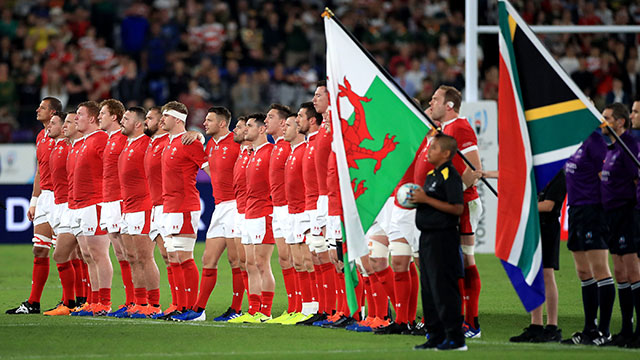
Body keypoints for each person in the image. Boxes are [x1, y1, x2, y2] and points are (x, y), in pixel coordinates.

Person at [174, 106, 241, 322]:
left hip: (235, 205)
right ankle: (199, 310)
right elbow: (203, 161)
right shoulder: (210, 144)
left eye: (209, 120)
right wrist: (197, 135)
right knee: (208, 259)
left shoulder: (237, 142)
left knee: (235, 260)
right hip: (219, 206)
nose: (204, 123)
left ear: (222, 123)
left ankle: (236, 309)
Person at [429, 85, 483, 338]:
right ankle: (458, 317)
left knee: (464, 261)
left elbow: (475, 171)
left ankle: (471, 323)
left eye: (436, 99)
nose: (432, 102)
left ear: (449, 105)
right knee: (453, 263)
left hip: (464, 203)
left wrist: (448, 192)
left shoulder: (460, 126)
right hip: (453, 204)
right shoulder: (445, 130)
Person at [409, 133, 466, 351]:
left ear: (445, 153)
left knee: (444, 289)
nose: (429, 151)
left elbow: (457, 208)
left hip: (444, 238)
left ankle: (455, 338)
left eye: (433, 148)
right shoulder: (432, 175)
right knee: (429, 289)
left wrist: (426, 199)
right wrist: (418, 201)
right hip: (427, 238)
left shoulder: (450, 175)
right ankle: (434, 335)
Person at [6, 97, 62, 315]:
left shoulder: (65, 135)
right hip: (45, 198)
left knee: (66, 251)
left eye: (43, 107)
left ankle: (75, 300)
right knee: (39, 249)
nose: (37, 109)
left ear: (54, 112)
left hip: (61, 197)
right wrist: (34, 201)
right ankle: (33, 303)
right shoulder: (41, 136)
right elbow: (39, 171)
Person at [561, 127, 613, 346]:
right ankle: (589, 329)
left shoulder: (595, 142)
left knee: (600, 269)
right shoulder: (571, 141)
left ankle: (605, 331)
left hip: (593, 210)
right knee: (583, 271)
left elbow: (606, 179)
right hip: (576, 210)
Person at [160, 101, 206, 321]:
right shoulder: (169, 142)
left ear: (177, 119)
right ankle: (180, 305)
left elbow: (210, 169)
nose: (161, 120)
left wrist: (199, 137)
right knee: (173, 257)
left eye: (165, 116)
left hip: (185, 205)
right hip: (169, 206)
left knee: (184, 257)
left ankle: (195, 309)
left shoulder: (190, 142)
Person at [599, 103, 640, 347]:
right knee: (621, 273)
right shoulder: (613, 148)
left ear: (620, 122)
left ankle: (638, 332)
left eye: (606, 118)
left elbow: (636, 179)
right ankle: (626, 329)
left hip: (627, 215)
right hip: (612, 216)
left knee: (633, 271)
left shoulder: (629, 146)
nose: (602, 122)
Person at [509, 170, 566, 342]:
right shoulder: (537, 172)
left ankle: (552, 327)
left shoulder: (559, 174)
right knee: (533, 274)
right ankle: (536, 325)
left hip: (547, 227)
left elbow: (548, 205)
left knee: (547, 275)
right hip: (533, 226)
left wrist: (521, 206)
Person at [117, 106, 161, 318]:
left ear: (138, 124)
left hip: (143, 207)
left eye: (125, 118)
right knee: (131, 257)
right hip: (127, 207)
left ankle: (154, 304)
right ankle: (139, 301)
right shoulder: (127, 143)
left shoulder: (147, 143)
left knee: (145, 257)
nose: (121, 121)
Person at [70, 101, 111, 316]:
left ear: (92, 119)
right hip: (81, 204)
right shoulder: (83, 141)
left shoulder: (101, 139)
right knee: (87, 254)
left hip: (96, 202)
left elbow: (113, 167)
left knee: (98, 253)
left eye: (80, 114)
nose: (76, 118)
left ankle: (104, 302)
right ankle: (93, 300)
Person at [97, 99, 136, 317]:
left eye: (103, 113)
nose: (99, 117)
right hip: (109, 200)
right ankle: (130, 300)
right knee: (121, 254)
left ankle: (139, 300)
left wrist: (196, 135)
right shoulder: (109, 139)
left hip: (122, 200)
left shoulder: (124, 138)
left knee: (130, 253)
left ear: (114, 117)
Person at [240, 113, 277, 322]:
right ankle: (254, 309)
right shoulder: (252, 153)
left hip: (264, 212)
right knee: (250, 264)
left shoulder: (270, 152)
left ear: (262, 129)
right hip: (249, 212)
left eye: (250, 126)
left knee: (263, 263)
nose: (246, 129)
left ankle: (266, 311)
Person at [280, 112, 315, 325]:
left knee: (309, 261)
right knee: (298, 262)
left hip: (304, 211)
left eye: (289, 125)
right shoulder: (292, 152)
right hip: (291, 212)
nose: (285, 128)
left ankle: (317, 306)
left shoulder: (304, 150)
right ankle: (306, 307)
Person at [263, 103, 297, 324]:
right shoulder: (276, 146)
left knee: (295, 258)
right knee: (285, 259)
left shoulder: (287, 146)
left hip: (289, 208)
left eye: (270, 116)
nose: (266, 120)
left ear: (283, 123)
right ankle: (294, 307)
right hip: (278, 208)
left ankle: (304, 305)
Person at [143, 106, 177, 319]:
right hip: (155, 206)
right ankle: (173, 302)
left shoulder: (169, 142)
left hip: (168, 206)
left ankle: (179, 302)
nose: (147, 121)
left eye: (151, 118)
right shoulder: (152, 143)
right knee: (165, 256)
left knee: (172, 256)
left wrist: (197, 135)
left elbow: (190, 138)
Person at [42, 111, 77, 316]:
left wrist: (197, 135)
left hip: (71, 205)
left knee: (66, 254)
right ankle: (74, 301)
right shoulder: (56, 146)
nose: (52, 126)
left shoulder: (72, 146)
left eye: (60, 123)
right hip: (58, 204)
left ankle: (76, 300)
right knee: (73, 254)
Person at [295, 102, 327, 325]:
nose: (297, 120)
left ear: (312, 120)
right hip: (311, 206)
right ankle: (325, 309)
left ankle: (348, 309)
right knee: (317, 258)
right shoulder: (309, 144)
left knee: (331, 258)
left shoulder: (322, 140)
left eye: (300, 116)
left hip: (323, 204)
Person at [226, 116, 251, 322]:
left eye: (241, 127)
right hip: (239, 211)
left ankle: (259, 308)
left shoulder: (256, 153)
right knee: (241, 262)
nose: (235, 129)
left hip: (254, 212)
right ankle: (251, 308)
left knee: (254, 263)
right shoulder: (241, 153)